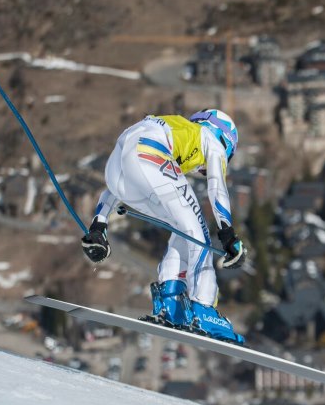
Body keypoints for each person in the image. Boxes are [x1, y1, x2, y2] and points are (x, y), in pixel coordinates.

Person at [80, 109, 247, 344]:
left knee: (183, 226)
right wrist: (228, 234)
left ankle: (172, 301)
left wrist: (99, 225)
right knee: (197, 233)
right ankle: (204, 309)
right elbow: (217, 188)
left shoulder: (180, 129)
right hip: (151, 154)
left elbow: (115, 190)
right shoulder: (211, 139)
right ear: (226, 141)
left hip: (118, 162)